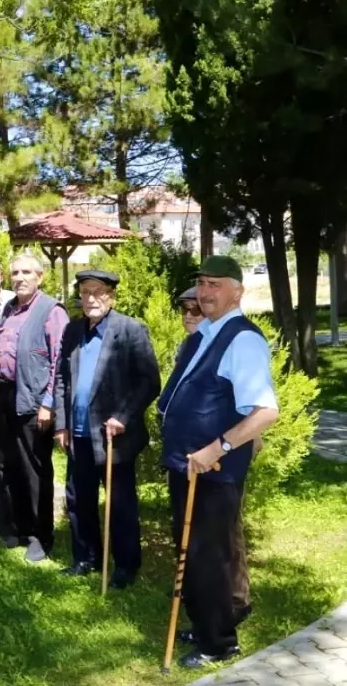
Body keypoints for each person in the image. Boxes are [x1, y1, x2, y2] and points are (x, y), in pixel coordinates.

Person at [163, 261, 276, 668]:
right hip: (188, 465)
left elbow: (264, 411)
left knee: (209, 555)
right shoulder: (206, 334)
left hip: (213, 468)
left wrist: (218, 447)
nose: (204, 292)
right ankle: (206, 623)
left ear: (237, 293)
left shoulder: (242, 340)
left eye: (215, 285)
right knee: (192, 551)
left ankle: (219, 643)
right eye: (201, 283)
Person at [53, 270, 161, 588]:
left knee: (120, 503)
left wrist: (123, 416)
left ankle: (126, 566)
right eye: (85, 292)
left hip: (115, 436)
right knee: (78, 498)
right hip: (79, 434)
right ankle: (86, 558)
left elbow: (149, 381)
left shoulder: (130, 330)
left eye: (98, 292)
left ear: (112, 296)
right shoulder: (73, 331)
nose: (91, 298)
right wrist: (62, 424)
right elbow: (62, 380)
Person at [0, 253, 68, 562]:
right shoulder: (9, 308)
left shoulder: (52, 311)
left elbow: (60, 361)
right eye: (15, 272)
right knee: (5, 466)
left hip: (32, 401)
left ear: (40, 277)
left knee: (34, 470)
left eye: (26, 272)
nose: (19, 277)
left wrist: (48, 404)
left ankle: (40, 536)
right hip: (4, 396)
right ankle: (15, 527)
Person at [179, 284, 254, 624]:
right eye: (185, 309)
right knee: (207, 537)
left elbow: (255, 404)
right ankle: (207, 599)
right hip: (198, 457)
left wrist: (234, 444)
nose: (191, 315)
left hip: (223, 455)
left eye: (197, 309)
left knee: (225, 534)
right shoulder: (195, 344)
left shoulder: (237, 340)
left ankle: (235, 602)